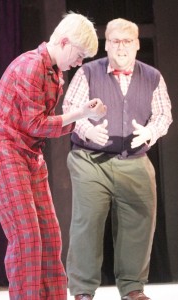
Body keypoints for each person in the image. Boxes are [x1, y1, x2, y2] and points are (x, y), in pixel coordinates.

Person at [0, 12, 107, 300]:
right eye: (79, 55)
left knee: (50, 238)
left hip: (31, 155)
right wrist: (81, 114)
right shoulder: (30, 67)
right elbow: (35, 124)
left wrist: (82, 119)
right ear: (64, 41)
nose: (79, 63)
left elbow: (43, 127)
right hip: (7, 154)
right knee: (27, 238)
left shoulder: (54, 74)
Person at [63, 18, 172, 300]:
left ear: (136, 44)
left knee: (139, 221)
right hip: (90, 160)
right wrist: (88, 130)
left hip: (134, 159)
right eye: (115, 41)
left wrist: (150, 131)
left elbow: (163, 115)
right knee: (87, 222)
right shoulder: (87, 72)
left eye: (127, 41)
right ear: (106, 44)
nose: (121, 47)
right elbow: (71, 109)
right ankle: (82, 291)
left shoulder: (152, 76)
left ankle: (133, 288)